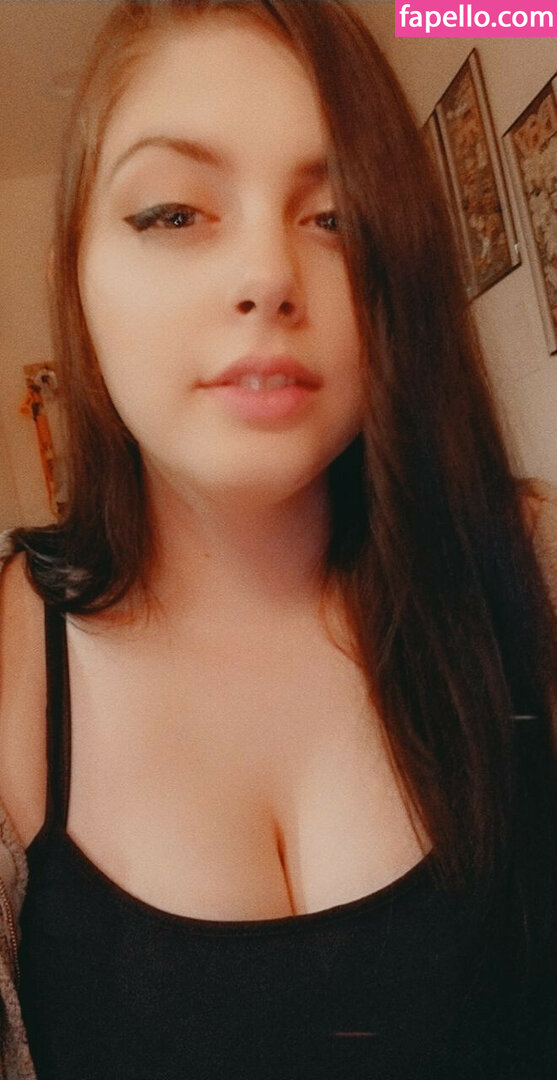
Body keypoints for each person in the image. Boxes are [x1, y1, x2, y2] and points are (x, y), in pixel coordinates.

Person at [0, 1, 556, 1076]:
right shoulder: (11, 667)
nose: (267, 276)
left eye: (335, 218)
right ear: (75, 273)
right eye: (172, 213)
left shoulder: (531, 569)